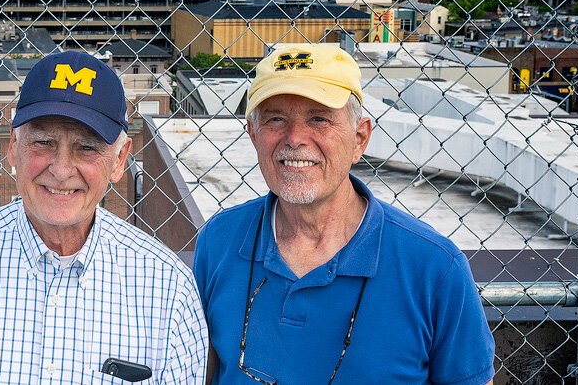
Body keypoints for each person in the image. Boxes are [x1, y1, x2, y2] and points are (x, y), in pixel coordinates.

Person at [0, 50, 207, 384]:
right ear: (13, 145)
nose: (60, 170)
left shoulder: (168, 287)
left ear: (119, 160)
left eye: (86, 148)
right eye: (43, 142)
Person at [192, 43, 495, 385]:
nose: (295, 139)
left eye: (319, 118)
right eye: (276, 119)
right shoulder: (218, 241)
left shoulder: (433, 267)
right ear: (253, 134)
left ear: (359, 138)